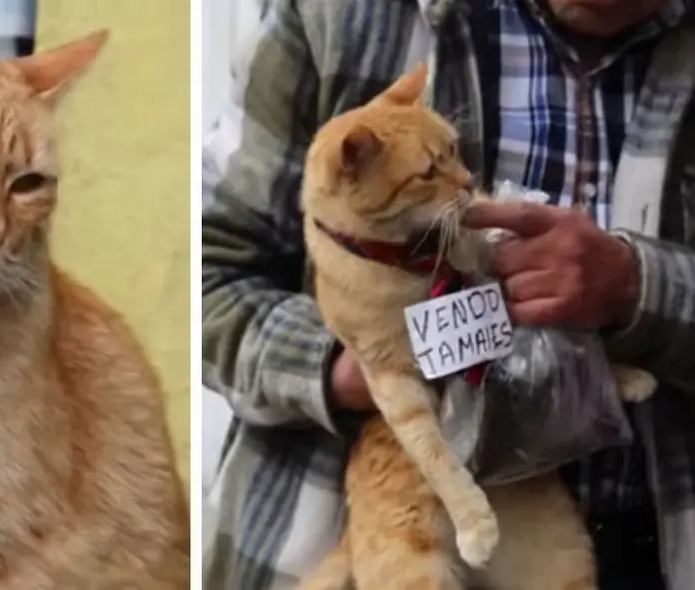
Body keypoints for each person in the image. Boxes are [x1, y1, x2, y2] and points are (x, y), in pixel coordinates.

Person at [201, 0, 695, 588]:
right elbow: (212, 275)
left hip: (650, 538)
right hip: (371, 531)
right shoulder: (339, 16)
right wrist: (353, 365)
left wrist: (640, 287)